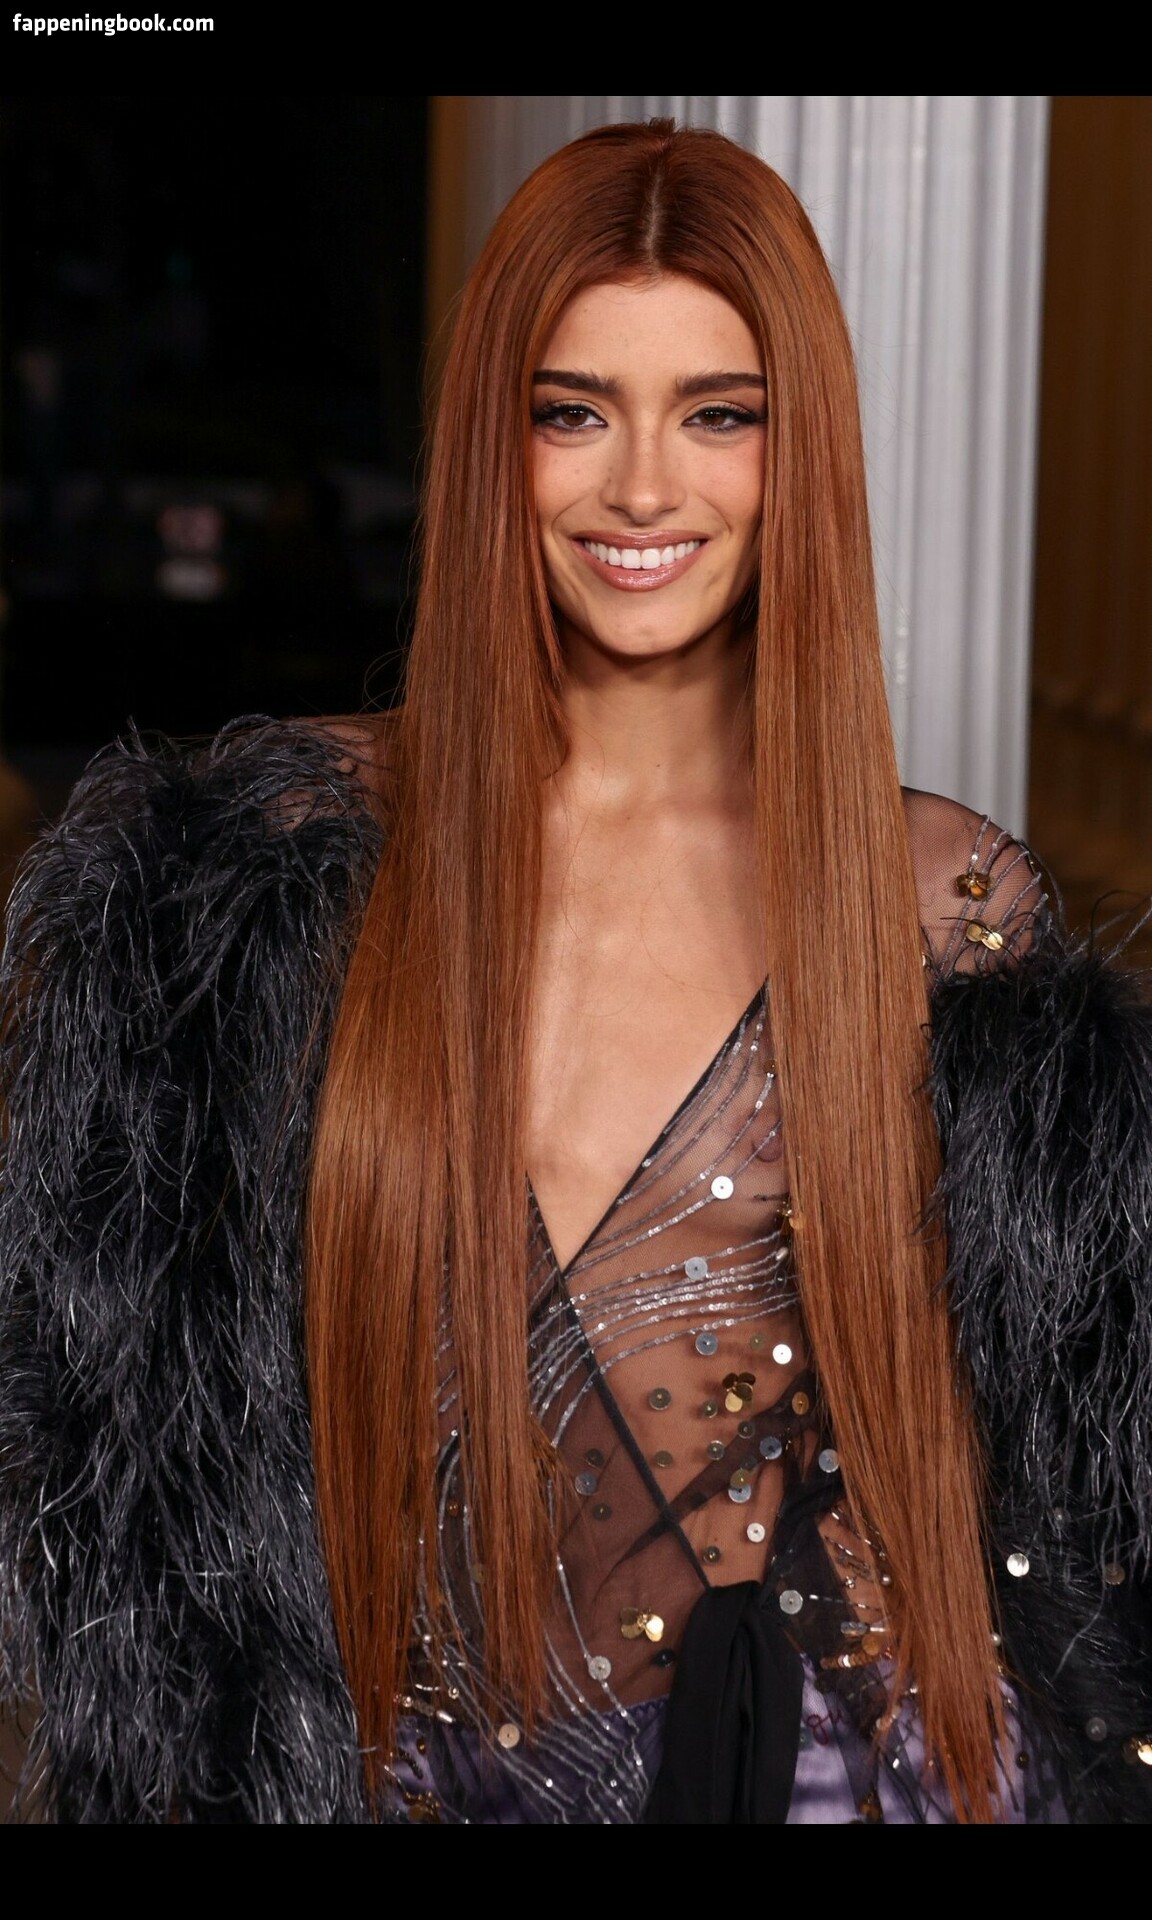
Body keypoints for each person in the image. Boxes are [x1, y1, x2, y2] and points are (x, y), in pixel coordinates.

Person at [2, 119, 1151, 1827]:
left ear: (802, 450)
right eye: (574, 412)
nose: (643, 489)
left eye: (720, 414)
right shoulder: (270, 871)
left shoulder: (941, 907)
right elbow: (124, 1482)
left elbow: (1051, 1509)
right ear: (497, 438)